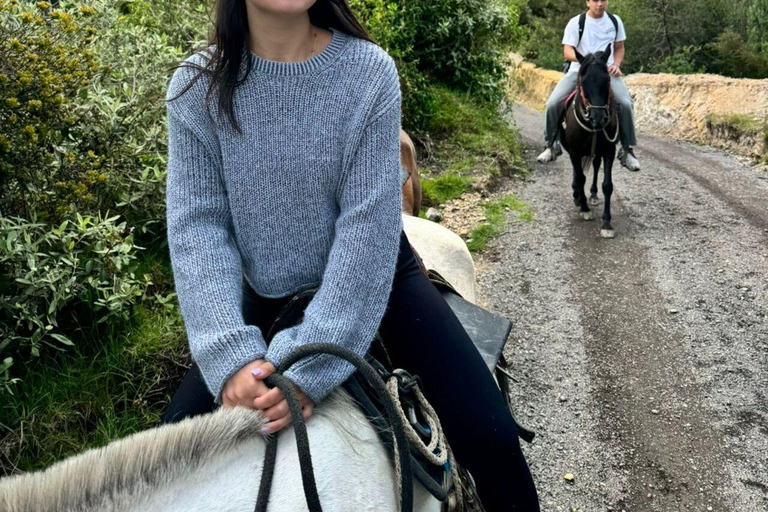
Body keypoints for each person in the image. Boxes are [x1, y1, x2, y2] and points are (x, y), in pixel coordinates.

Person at [160, 1, 540, 510]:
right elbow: (199, 227)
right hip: (263, 293)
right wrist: (228, 358)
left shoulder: (369, 73)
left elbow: (366, 228)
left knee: (493, 443)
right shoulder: (195, 87)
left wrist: (310, 365)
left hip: (383, 281)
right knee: (165, 468)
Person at [536, 0, 641, 171]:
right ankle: (551, 144)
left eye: (603, 0)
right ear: (587, 2)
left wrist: (616, 64)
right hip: (579, 71)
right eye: (595, 0)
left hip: (604, 72)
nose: (599, 4)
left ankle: (627, 150)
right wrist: (587, 62)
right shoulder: (576, 22)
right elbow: (567, 50)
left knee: (626, 104)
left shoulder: (615, 21)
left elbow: (619, 47)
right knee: (553, 104)